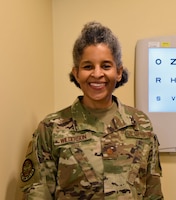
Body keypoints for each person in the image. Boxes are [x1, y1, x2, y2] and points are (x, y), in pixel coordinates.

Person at [19, 21, 164, 200]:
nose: (97, 74)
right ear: (76, 73)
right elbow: (37, 194)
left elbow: (153, 192)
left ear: (118, 72)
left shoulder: (140, 125)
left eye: (106, 66)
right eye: (88, 66)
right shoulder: (51, 128)